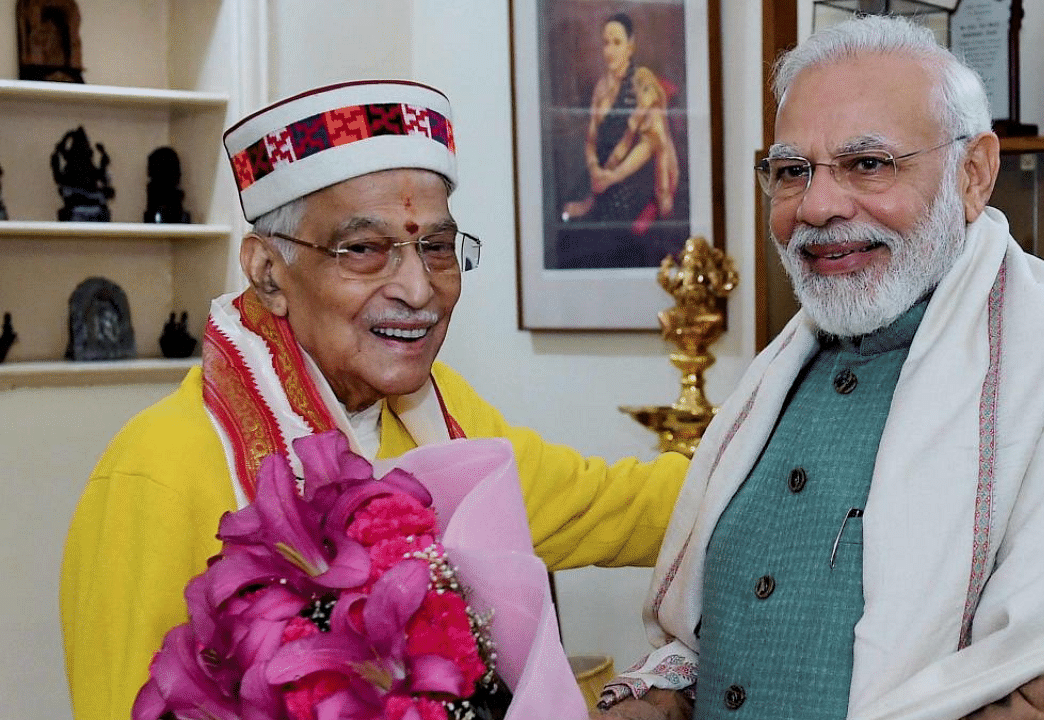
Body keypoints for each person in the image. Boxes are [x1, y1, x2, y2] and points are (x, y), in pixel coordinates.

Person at [598, 15, 1044, 720]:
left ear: (973, 174)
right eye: (793, 171)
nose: (818, 207)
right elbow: (708, 643)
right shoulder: (775, 376)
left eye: (868, 164)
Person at [59, 79, 689, 720]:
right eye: (362, 250)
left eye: (437, 249)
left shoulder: (440, 419)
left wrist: (778, 459)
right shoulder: (160, 469)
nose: (418, 290)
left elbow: (614, 507)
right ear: (268, 274)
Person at [556, 12, 684, 269]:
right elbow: (591, 139)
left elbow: (650, 145)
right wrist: (594, 169)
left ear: (630, 45)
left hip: (633, 183)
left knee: (604, 239)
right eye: (605, 43)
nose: (609, 50)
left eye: (616, 42)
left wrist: (612, 177)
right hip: (599, 181)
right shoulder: (601, 88)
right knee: (566, 232)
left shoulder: (642, 83)